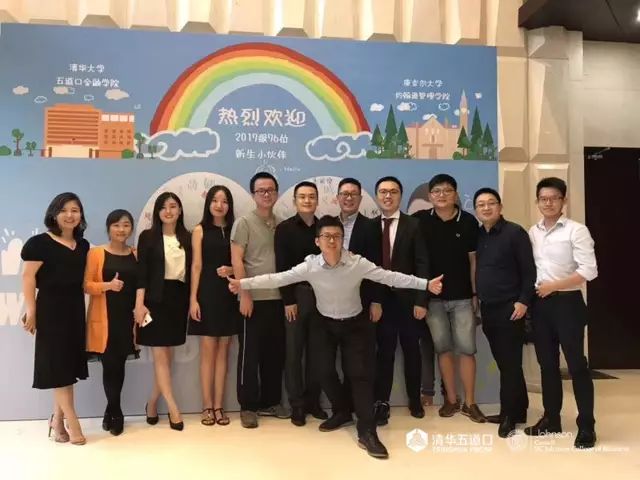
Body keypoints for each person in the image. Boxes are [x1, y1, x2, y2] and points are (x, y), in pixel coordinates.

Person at [228, 215, 444, 459]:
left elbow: (390, 276)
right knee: (322, 371)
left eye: (337, 236)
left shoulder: (357, 263)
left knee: (359, 375)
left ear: (343, 240)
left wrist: (425, 284)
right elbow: (278, 278)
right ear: (317, 241)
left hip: (355, 324)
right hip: (325, 324)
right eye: (326, 236)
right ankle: (342, 411)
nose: (332, 241)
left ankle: (367, 432)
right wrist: (244, 284)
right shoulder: (310, 265)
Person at [525, 177, 598, 449]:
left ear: (563, 200)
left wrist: (554, 286)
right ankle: (551, 419)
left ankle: (586, 425)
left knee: (577, 365)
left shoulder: (576, 231)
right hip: (540, 306)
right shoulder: (532, 232)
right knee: (547, 365)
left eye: (554, 198)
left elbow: (589, 270)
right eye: (543, 198)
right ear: (537, 201)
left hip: (568, 303)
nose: (548, 203)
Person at [413, 174, 486, 423]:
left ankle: (470, 403)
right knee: (442, 349)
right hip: (433, 300)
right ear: (429, 196)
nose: (441, 195)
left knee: (466, 349)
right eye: (436, 191)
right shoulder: (420, 220)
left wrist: (475, 293)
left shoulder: (468, 221)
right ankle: (451, 400)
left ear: (455, 194)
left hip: (463, 298)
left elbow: (473, 261)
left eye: (447, 190)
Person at [21, 192, 90, 445]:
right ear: (54, 214)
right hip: (50, 310)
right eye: (64, 210)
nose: (70, 215)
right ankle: (73, 422)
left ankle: (57, 421)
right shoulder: (38, 243)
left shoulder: (83, 245)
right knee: (58, 366)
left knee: (67, 367)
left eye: (75, 210)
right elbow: (28, 277)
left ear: (80, 215)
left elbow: (85, 281)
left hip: (74, 309)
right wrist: (31, 310)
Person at [474, 188, 536, 438]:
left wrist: (523, 302)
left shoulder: (515, 233)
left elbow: (529, 271)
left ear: (500, 207)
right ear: (476, 210)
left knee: (509, 364)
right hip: (488, 308)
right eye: (481, 204)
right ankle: (519, 409)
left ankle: (508, 416)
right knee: (506, 363)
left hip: (511, 308)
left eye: (491, 203)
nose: (486, 208)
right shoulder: (480, 234)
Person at [231, 172, 289, 428]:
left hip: (278, 298)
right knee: (249, 355)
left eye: (270, 190)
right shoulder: (243, 223)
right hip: (252, 299)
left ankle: (271, 401)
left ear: (277, 193)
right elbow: (237, 260)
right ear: (253, 194)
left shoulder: (282, 224)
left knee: (274, 354)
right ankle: (247, 406)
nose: (266, 194)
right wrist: (244, 293)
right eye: (261, 190)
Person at [371, 176, 429, 425]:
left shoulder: (414, 225)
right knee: (383, 353)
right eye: (383, 191)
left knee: (412, 351)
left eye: (393, 191)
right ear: (377, 196)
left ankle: (415, 400)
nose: (388, 196)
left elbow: (422, 263)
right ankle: (381, 402)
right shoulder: (369, 227)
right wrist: (373, 300)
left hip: (408, 301)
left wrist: (421, 301)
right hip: (380, 303)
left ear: (400, 196)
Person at [134, 192, 191, 431]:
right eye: (163, 207)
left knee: (167, 357)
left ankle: (151, 403)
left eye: (173, 206)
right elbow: (142, 273)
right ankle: (173, 408)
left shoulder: (187, 237)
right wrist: (139, 304)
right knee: (160, 356)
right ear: (157, 212)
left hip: (178, 300)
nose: (168, 211)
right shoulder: (148, 237)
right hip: (154, 300)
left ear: (180, 210)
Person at [274, 181, 327, 426]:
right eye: (302, 197)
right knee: (293, 353)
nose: (307, 201)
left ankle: (313, 401)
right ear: (294, 201)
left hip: (322, 297)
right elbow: (282, 268)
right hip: (296, 296)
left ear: (317, 200)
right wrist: (288, 300)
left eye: (311, 196)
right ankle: (297, 405)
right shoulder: (284, 229)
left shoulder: (324, 228)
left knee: (318, 352)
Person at [84, 209, 139, 436]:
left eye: (126, 225)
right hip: (104, 319)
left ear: (131, 229)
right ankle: (117, 412)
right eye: (116, 225)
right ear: (108, 228)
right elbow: (86, 285)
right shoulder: (96, 253)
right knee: (110, 366)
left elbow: (141, 285)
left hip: (127, 319)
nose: (121, 229)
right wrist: (108, 285)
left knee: (120, 365)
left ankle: (110, 410)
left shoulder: (136, 254)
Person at [189, 186, 240, 427]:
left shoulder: (236, 229)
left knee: (224, 352)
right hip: (207, 294)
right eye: (215, 200)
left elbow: (244, 261)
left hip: (229, 294)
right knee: (208, 352)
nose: (219, 205)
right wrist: (193, 299)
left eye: (224, 201)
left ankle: (219, 406)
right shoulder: (199, 230)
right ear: (208, 203)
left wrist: (232, 269)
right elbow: (196, 266)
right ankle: (206, 406)